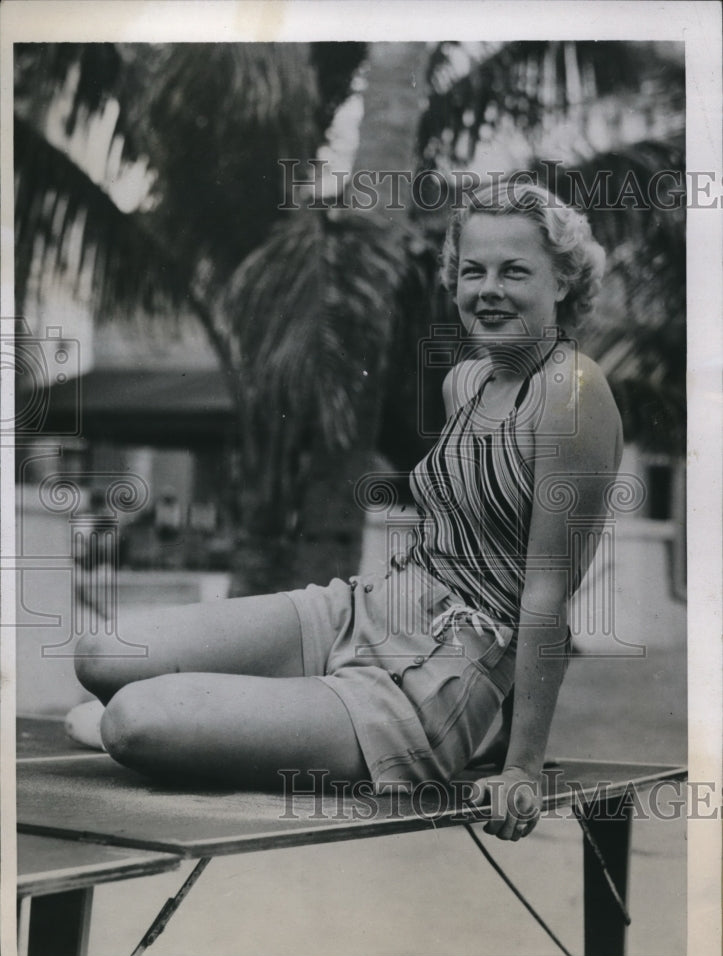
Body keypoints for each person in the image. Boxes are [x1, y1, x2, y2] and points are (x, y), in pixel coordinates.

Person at [73, 181, 622, 842]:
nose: (487, 290)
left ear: (562, 281)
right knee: (102, 654)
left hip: (435, 681)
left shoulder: (572, 391)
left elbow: (544, 595)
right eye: (471, 271)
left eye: (514, 271)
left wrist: (521, 769)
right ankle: (252, 714)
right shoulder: (467, 383)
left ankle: (263, 720)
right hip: (365, 609)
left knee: (134, 720)